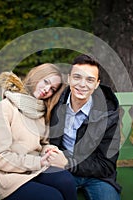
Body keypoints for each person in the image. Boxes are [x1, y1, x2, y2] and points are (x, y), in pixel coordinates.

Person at [0, 63, 77, 200]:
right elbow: (0, 158)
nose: (47, 89)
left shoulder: (40, 110)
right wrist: (39, 162)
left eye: (53, 89)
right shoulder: (4, 108)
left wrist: (50, 151)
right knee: (53, 197)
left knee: (67, 181)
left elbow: (43, 143)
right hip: (11, 176)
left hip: (36, 169)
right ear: (36, 76)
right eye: (46, 82)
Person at [48, 55, 121, 200]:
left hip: (98, 177)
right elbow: (31, 93)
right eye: (77, 77)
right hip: (62, 172)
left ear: (97, 84)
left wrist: (70, 163)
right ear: (69, 79)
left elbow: (106, 165)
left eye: (89, 80)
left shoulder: (108, 114)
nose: (82, 84)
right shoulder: (55, 102)